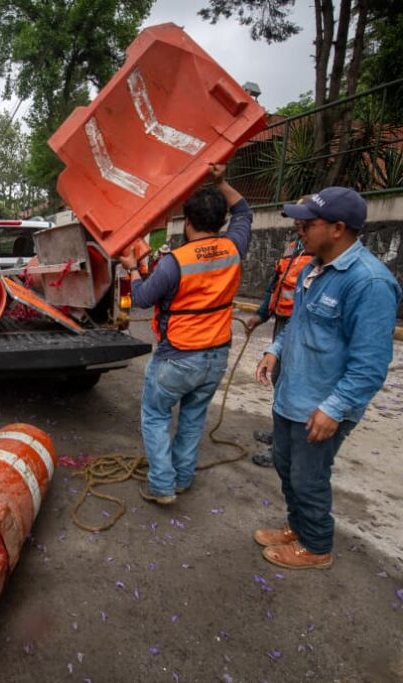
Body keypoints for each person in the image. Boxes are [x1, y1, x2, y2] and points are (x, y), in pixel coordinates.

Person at [253, 187, 401, 570]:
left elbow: (370, 363)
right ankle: (298, 527)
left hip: (321, 405)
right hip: (292, 396)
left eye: (308, 222)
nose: (299, 228)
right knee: (287, 469)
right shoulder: (311, 270)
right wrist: (276, 350)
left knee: (309, 477)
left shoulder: (369, 283)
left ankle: (317, 546)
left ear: (338, 228)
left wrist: (334, 408)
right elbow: (297, 323)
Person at [118, 163, 252, 505]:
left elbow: (143, 299)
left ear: (187, 222)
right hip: (216, 356)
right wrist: (221, 182)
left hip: (177, 355)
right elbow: (244, 211)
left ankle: (162, 486)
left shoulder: (175, 261)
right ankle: (182, 478)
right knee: (193, 418)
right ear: (221, 223)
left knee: (156, 415)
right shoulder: (234, 248)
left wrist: (132, 269)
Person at [244, 199, 313, 467]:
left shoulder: (321, 256)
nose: (296, 223)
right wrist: (261, 315)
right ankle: (279, 436)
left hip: (301, 328)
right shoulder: (292, 247)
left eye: (301, 218)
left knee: (291, 384)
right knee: (279, 380)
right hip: (283, 323)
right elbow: (275, 285)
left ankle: (285, 449)